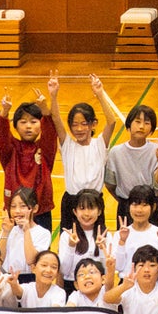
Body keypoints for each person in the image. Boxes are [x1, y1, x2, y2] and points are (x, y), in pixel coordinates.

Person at [51, 72, 124, 214]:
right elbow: (56, 118)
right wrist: (53, 95)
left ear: (93, 124)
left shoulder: (99, 144)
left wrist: (100, 94)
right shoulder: (67, 145)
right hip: (71, 201)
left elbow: (111, 121)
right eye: (75, 124)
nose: (79, 129)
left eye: (84, 124)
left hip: (94, 201)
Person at [0, 92, 61, 230]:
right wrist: (4, 113)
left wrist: (45, 110)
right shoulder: (10, 151)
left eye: (33, 121)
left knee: (42, 244)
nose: (28, 126)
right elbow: (1, 136)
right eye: (23, 122)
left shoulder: (45, 149)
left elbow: (50, 132)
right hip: (15, 211)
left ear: (40, 124)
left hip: (41, 210)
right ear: (15, 126)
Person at [103, 100, 158, 229]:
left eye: (147, 123)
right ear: (129, 125)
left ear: (152, 129)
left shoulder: (156, 150)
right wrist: (125, 201)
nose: (141, 126)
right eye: (137, 121)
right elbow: (110, 184)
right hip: (126, 206)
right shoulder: (116, 152)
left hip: (151, 206)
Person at [57, 188, 110, 284]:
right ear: (75, 212)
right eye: (82, 208)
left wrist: (102, 249)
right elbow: (64, 271)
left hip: (97, 286)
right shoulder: (66, 236)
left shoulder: (106, 236)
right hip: (72, 285)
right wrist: (71, 246)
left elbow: (107, 271)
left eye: (91, 208)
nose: (86, 213)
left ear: (99, 211)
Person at [0, 186, 52, 278]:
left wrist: (26, 231)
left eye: (23, 206)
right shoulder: (9, 229)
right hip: (6, 276)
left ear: (35, 208)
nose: (17, 211)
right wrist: (6, 232)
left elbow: (31, 260)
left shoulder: (43, 233)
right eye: (13, 207)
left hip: (29, 278)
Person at [116, 186, 158, 260]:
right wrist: (122, 241)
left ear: (154, 207)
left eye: (144, 205)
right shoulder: (119, 235)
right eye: (135, 204)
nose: (139, 210)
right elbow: (117, 265)